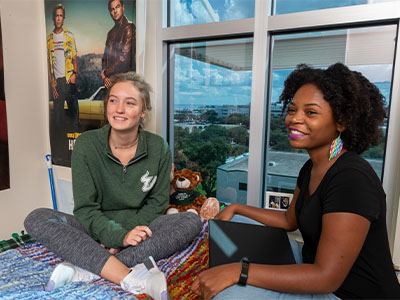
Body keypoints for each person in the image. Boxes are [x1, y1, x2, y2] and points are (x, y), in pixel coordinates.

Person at [191, 63, 400, 299]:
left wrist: (239, 271)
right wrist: (237, 207)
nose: (294, 119)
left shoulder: (351, 179)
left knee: (228, 294)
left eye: (310, 112)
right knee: (238, 222)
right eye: (292, 110)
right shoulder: (311, 167)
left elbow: (326, 278)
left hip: (344, 292)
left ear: (341, 121)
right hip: (311, 262)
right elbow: (289, 220)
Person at [25, 72, 202, 299]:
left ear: (143, 111)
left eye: (130, 103)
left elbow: (157, 203)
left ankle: (85, 269)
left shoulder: (158, 148)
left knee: (190, 221)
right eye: (113, 100)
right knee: (36, 217)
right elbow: (86, 209)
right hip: (93, 227)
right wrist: (117, 236)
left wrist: (127, 237)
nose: (119, 109)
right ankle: (129, 276)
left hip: (140, 228)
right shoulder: (86, 145)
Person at [47, 3, 80, 132]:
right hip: (57, 84)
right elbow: (48, 63)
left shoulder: (70, 36)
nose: (59, 18)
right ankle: (61, 149)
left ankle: (76, 146)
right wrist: (52, 84)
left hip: (69, 81)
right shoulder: (49, 39)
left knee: (74, 118)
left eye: (61, 16)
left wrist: (74, 75)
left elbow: (74, 59)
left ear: (64, 18)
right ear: (53, 18)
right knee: (58, 120)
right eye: (56, 16)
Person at [101, 0, 136, 89]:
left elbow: (124, 58)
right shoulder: (110, 33)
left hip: (124, 80)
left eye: (117, 7)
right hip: (110, 81)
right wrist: (105, 77)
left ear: (123, 7)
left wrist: (106, 73)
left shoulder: (129, 27)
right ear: (110, 12)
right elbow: (105, 57)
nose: (115, 11)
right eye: (112, 9)